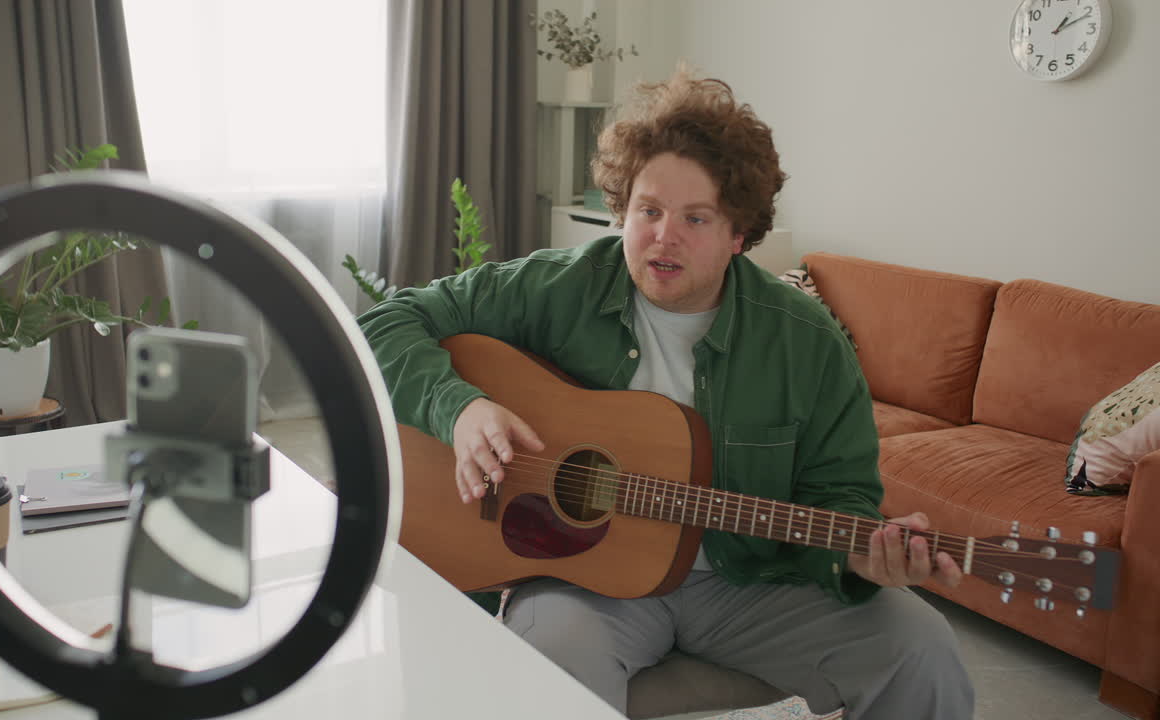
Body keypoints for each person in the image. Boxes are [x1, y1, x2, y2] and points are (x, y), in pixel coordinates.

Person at [358, 68, 973, 719]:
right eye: (647, 210)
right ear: (622, 211)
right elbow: (384, 322)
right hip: (585, 584)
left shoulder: (810, 344)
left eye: (696, 218)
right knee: (546, 668)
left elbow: (840, 500)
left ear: (739, 234)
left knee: (921, 645)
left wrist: (864, 564)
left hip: (749, 585)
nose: (662, 235)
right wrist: (460, 408)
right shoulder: (556, 288)